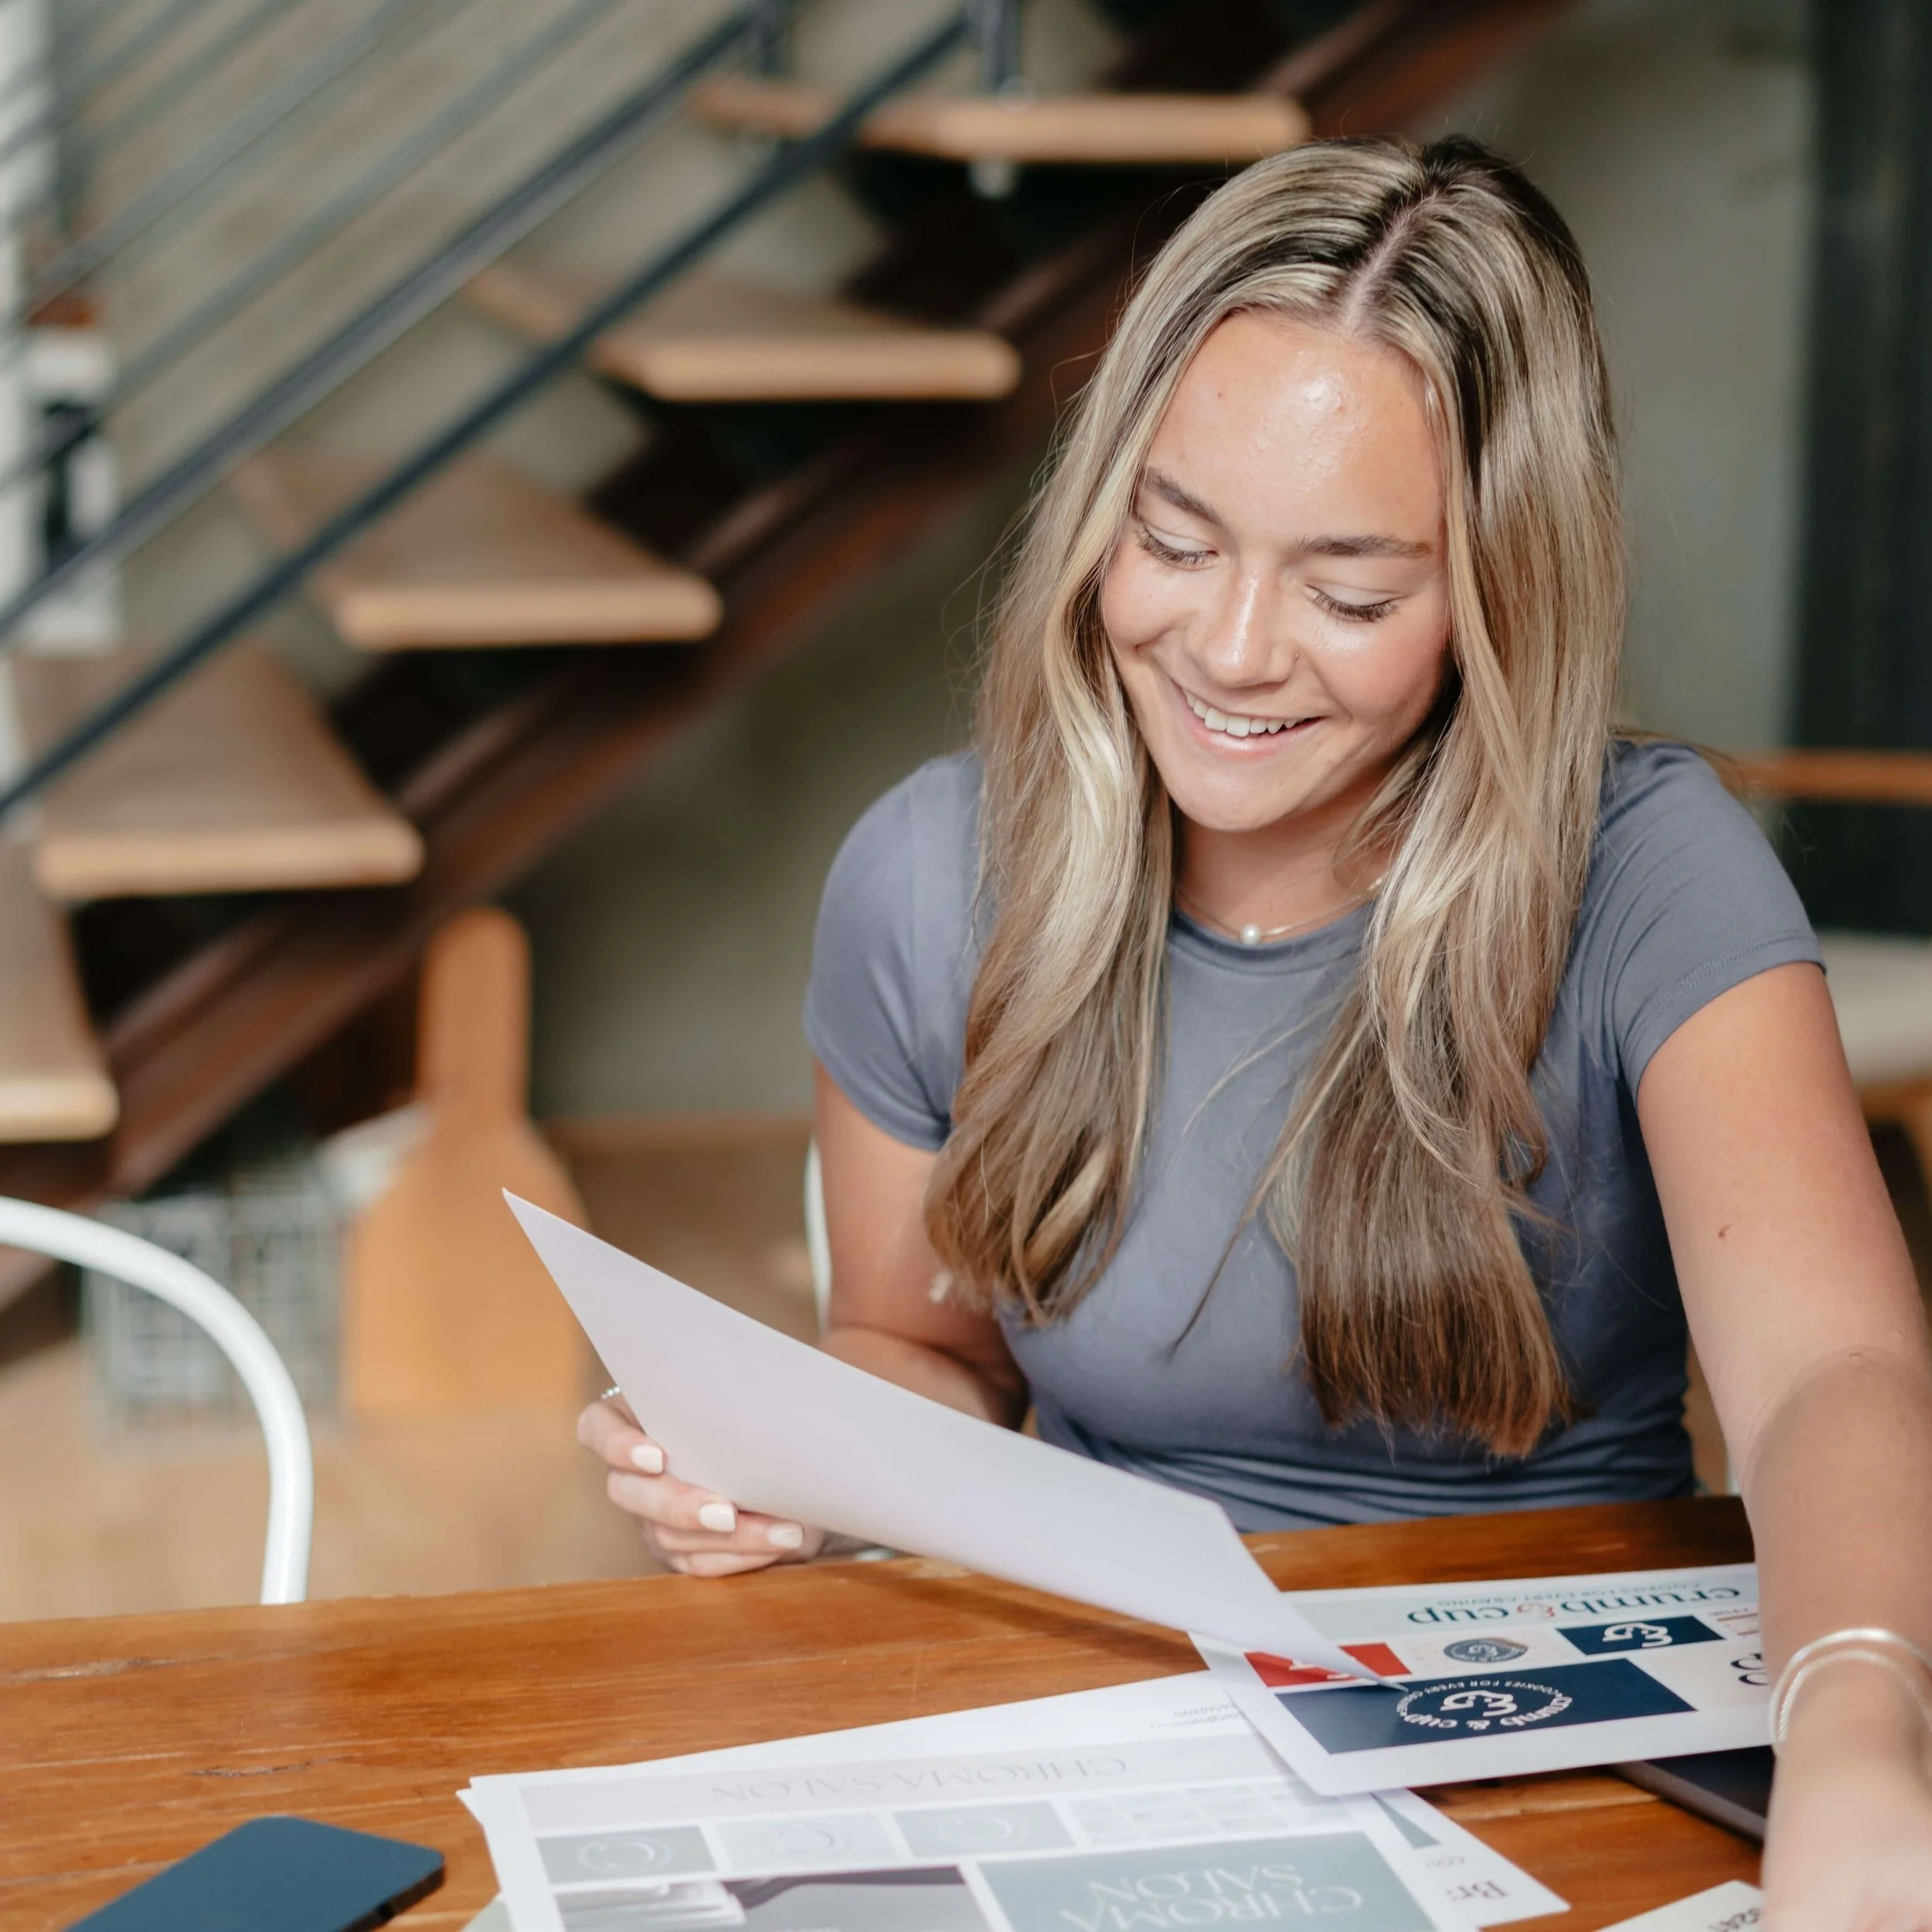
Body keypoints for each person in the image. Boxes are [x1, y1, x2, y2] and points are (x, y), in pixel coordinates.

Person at [579, 136, 1932, 1924]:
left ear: (1490, 596)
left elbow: (1831, 1378)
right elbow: (929, 1353)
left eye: (1349, 590)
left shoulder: (1646, 869)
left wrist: (1857, 1722)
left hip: (1553, 1728)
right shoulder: (927, 869)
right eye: (1173, 536)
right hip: (1104, 1702)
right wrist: (781, 1453)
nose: (1227, 647)